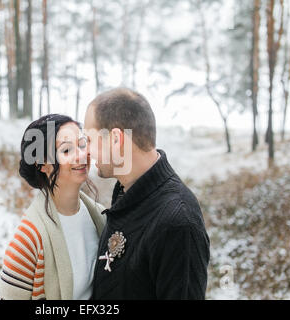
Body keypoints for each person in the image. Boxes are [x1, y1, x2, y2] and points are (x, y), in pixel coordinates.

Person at [83, 88, 210, 299]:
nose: (87, 150)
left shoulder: (177, 222)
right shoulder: (127, 194)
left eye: (89, 139)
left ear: (115, 140)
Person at [0, 114, 106, 300]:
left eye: (81, 145)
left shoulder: (101, 217)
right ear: (42, 165)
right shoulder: (28, 238)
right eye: (66, 150)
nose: (80, 155)